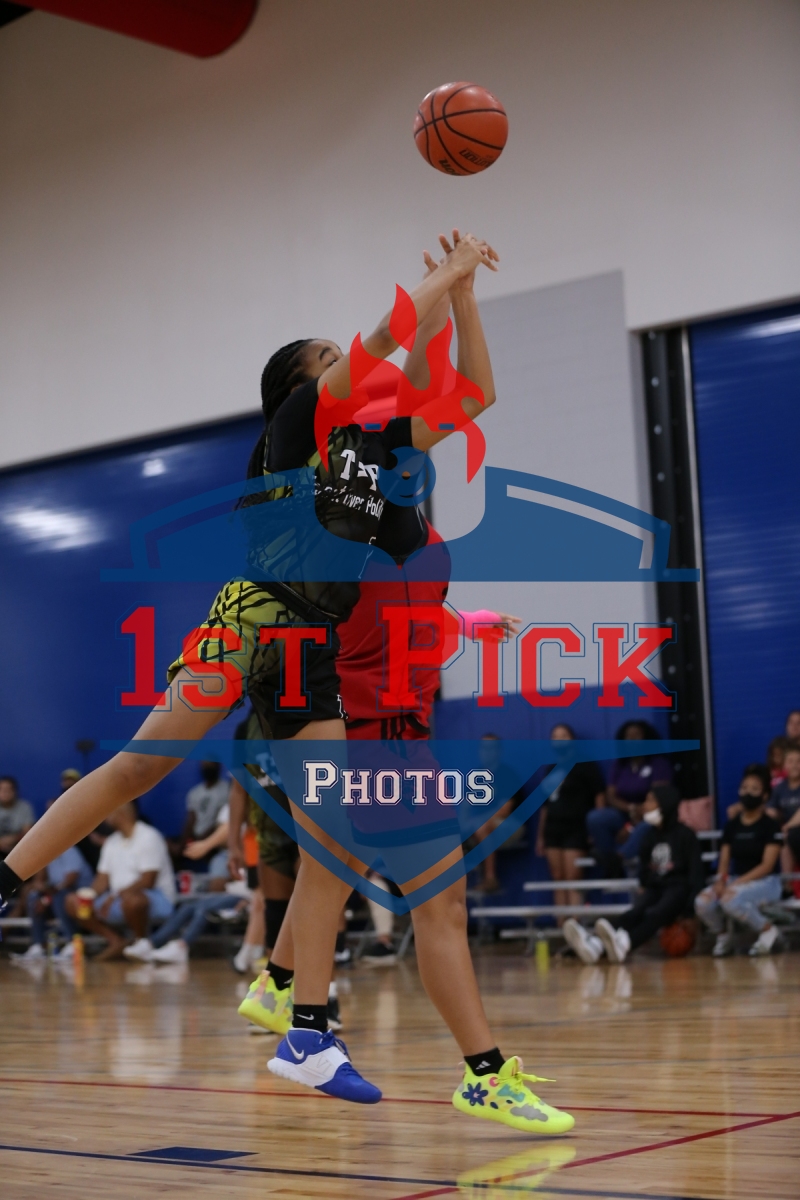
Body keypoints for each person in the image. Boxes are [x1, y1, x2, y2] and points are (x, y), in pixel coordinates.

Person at [1, 230, 573, 1134]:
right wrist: (443, 274)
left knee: (332, 842)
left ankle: (305, 1030)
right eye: (328, 357)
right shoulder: (296, 427)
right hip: (253, 620)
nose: (346, 360)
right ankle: (7, 875)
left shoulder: (373, 453)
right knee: (140, 767)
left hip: (315, 654)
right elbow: (384, 339)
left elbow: (473, 394)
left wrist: (464, 298)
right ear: (300, 386)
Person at [563, 785, 703, 963]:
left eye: (650, 800)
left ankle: (625, 943)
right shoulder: (649, 836)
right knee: (634, 913)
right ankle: (596, 944)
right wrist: (645, 883)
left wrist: (689, 911)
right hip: (655, 887)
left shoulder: (686, 835)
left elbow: (696, 875)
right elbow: (644, 869)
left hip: (677, 888)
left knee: (656, 913)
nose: (645, 805)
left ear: (664, 804)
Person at [64, 801, 175, 960]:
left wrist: (114, 896)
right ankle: (116, 941)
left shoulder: (149, 836)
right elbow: (101, 881)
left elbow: (147, 881)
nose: (105, 818)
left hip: (156, 899)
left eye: (109, 813)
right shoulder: (111, 842)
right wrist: (87, 896)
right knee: (72, 901)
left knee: (133, 900)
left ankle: (141, 942)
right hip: (116, 900)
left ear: (120, 815)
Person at [694, 764, 783, 957]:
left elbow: (767, 866)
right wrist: (721, 880)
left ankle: (768, 930)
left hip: (767, 882)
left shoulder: (770, 826)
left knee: (730, 898)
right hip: (736, 880)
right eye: (744, 788)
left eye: (754, 789)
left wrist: (737, 883)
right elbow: (724, 859)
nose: (747, 793)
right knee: (702, 901)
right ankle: (723, 935)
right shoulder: (732, 826)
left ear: (765, 796)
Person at [586, 721, 673, 876]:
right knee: (596, 818)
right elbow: (611, 796)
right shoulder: (619, 765)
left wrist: (630, 826)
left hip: (652, 815)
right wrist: (630, 810)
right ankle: (609, 857)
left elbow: (658, 798)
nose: (632, 740)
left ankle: (616, 860)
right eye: (628, 737)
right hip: (624, 813)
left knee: (646, 825)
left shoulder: (659, 764)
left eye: (636, 736)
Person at [536, 724, 605, 914]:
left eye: (564, 736)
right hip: (553, 828)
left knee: (573, 876)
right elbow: (545, 805)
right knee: (557, 877)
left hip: (576, 827)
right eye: (555, 737)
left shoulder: (586, 765)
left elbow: (599, 795)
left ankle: (576, 920)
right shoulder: (550, 769)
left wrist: (597, 826)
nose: (560, 740)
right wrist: (540, 836)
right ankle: (562, 922)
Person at [14, 827, 93, 964]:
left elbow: (70, 881)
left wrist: (46, 899)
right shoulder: (45, 855)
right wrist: (41, 889)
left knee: (59, 897)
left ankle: (73, 945)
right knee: (33, 897)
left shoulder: (69, 849)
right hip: (56, 895)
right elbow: (39, 883)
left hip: (77, 896)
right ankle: (38, 946)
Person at [173, 761, 230, 867]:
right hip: (195, 835)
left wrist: (205, 842)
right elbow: (190, 820)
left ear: (218, 767)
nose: (207, 768)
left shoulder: (227, 790)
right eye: (205, 765)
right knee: (170, 845)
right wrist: (183, 845)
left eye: (211, 765)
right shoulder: (195, 792)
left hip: (214, 836)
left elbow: (220, 822)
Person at [767, 743, 800, 897]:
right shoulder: (780, 788)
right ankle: (787, 887)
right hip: (788, 834)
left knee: (787, 835)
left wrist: (787, 825)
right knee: (782, 840)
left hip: (792, 830)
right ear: (784, 765)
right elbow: (771, 810)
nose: (795, 765)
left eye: (798, 761)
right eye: (790, 761)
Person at [0, 776, 34, 859]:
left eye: (8, 789)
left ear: (15, 791)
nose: (5, 792)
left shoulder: (24, 807)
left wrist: (14, 838)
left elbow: (28, 833)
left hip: (19, 849)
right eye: (2, 789)